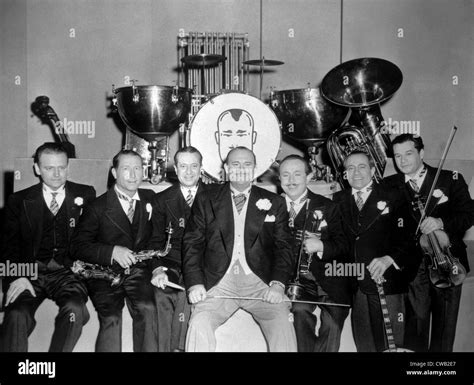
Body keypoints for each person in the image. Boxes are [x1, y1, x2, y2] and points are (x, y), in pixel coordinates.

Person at [182, 146, 297, 352]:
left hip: (259, 283)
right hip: (219, 282)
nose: (242, 169)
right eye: (235, 164)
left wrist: (278, 284)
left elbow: (284, 247)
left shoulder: (275, 202)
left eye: (247, 164)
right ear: (226, 168)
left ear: (255, 168)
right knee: (199, 323)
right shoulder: (206, 198)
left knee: (282, 321)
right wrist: (195, 284)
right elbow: (192, 243)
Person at [1, 142, 94, 352]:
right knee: (16, 315)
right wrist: (16, 276)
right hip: (29, 272)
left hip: (67, 273)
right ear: (36, 168)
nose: (56, 173)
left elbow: (91, 240)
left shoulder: (86, 194)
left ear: (68, 166)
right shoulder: (19, 200)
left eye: (61, 167)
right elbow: (7, 246)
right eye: (49, 168)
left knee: (74, 311)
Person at [385, 134, 474, 352]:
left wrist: (440, 221)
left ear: (421, 153)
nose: (402, 161)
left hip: (447, 261)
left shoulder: (450, 178)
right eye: (397, 156)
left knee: (444, 333)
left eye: (408, 154)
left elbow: (469, 215)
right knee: (416, 327)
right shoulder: (389, 185)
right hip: (413, 268)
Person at [70, 149, 158, 352]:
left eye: (138, 168)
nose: (133, 174)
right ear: (114, 173)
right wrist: (111, 252)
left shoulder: (150, 198)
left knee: (148, 309)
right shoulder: (97, 206)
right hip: (103, 273)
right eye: (126, 169)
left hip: (137, 270)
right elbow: (77, 246)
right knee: (111, 318)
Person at [333, 150, 416, 352]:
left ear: (372, 170)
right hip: (357, 285)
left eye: (362, 166)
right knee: (365, 344)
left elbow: (410, 237)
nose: (356, 173)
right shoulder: (337, 199)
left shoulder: (394, 196)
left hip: (388, 282)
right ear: (345, 174)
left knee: (392, 345)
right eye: (350, 168)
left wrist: (389, 258)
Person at [279, 155, 351, 352]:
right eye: (285, 175)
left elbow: (344, 245)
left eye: (297, 174)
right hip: (296, 283)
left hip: (329, 279)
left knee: (332, 322)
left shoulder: (328, 206)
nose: (291, 180)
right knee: (300, 315)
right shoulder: (272, 206)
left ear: (309, 177)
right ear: (279, 179)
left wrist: (321, 246)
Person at [148, 146, 210, 352]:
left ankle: (180, 348)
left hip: (204, 263)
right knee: (162, 294)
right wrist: (157, 269)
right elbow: (155, 240)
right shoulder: (161, 200)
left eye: (194, 166)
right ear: (175, 168)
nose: (189, 171)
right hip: (171, 262)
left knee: (187, 295)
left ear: (202, 168)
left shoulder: (215, 197)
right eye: (183, 166)